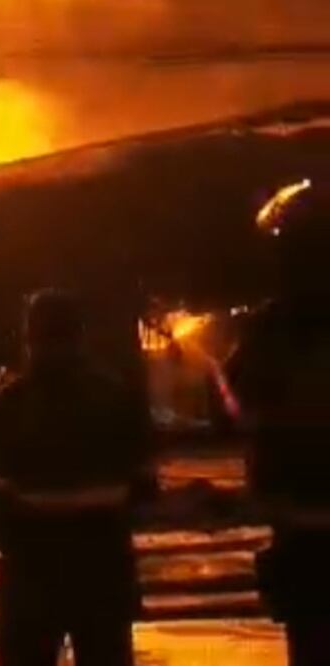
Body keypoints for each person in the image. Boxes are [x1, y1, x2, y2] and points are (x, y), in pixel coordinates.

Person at [0, 288, 153, 666]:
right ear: (81, 335)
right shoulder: (118, 401)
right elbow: (144, 486)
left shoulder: (2, 409)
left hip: (30, 577)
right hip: (103, 572)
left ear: (29, 338)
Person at [226, 180, 330, 665]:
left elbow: (238, 407)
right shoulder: (269, 335)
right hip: (300, 532)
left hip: (302, 533)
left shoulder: (268, 336)